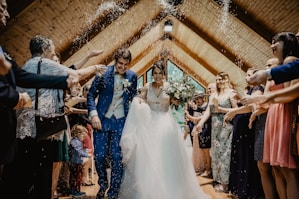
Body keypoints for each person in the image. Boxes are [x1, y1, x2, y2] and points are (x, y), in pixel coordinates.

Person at [11, 34, 105, 199]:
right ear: (45, 50)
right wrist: (95, 68)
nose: (53, 52)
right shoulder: (44, 63)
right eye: (52, 49)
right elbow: (75, 74)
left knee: (27, 171)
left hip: (24, 125)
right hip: (42, 127)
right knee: (42, 172)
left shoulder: (26, 65)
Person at [0, 1, 78, 197]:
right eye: (2, 7)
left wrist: (62, 82)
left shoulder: (3, 50)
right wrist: (15, 96)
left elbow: (20, 77)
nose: (8, 14)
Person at [118, 60, 210, 199]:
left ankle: (170, 190)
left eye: (160, 73)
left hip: (165, 124)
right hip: (148, 123)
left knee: (165, 156)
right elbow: (139, 98)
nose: (157, 76)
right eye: (155, 73)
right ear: (152, 74)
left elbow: (176, 105)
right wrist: (140, 102)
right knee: (149, 156)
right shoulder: (147, 86)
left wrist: (179, 99)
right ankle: (149, 190)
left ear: (164, 74)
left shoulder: (170, 87)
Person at [87, 47, 137, 199]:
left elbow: (132, 97)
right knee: (100, 156)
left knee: (117, 157)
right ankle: (102, 185)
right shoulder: (103, 73)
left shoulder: (132, 76)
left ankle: (113, 192)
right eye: (120, 63)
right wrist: (94, 115)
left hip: (121, 122)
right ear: (115, 61)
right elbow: (90, 95)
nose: (122, 67)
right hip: (102, 120)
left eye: (126, 64)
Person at [194, 72, 237, 193]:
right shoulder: (214, 94)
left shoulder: (231, 93)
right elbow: (208, 111)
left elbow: (236, 110)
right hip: (215, 127)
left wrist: (221, 110)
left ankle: (225, 183)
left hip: (226, 126)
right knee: (216, 154)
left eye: (221, 80)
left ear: (227, 80)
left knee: (225, 154)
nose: (219, 82)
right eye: (217, 80)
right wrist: (201, 123)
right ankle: (217, 179)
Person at [68, 124, 92, 198]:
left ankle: (77, 190)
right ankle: (74, 191)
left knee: (78, 177)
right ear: (77, 134)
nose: (83, 138)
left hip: (77, 162)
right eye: (83, 136)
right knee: (75, 178)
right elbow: (78, 151)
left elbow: (80, 150)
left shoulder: (77, 141)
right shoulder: (75, 141)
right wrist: (86, 154)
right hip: (74, 163)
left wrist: (85, 151)